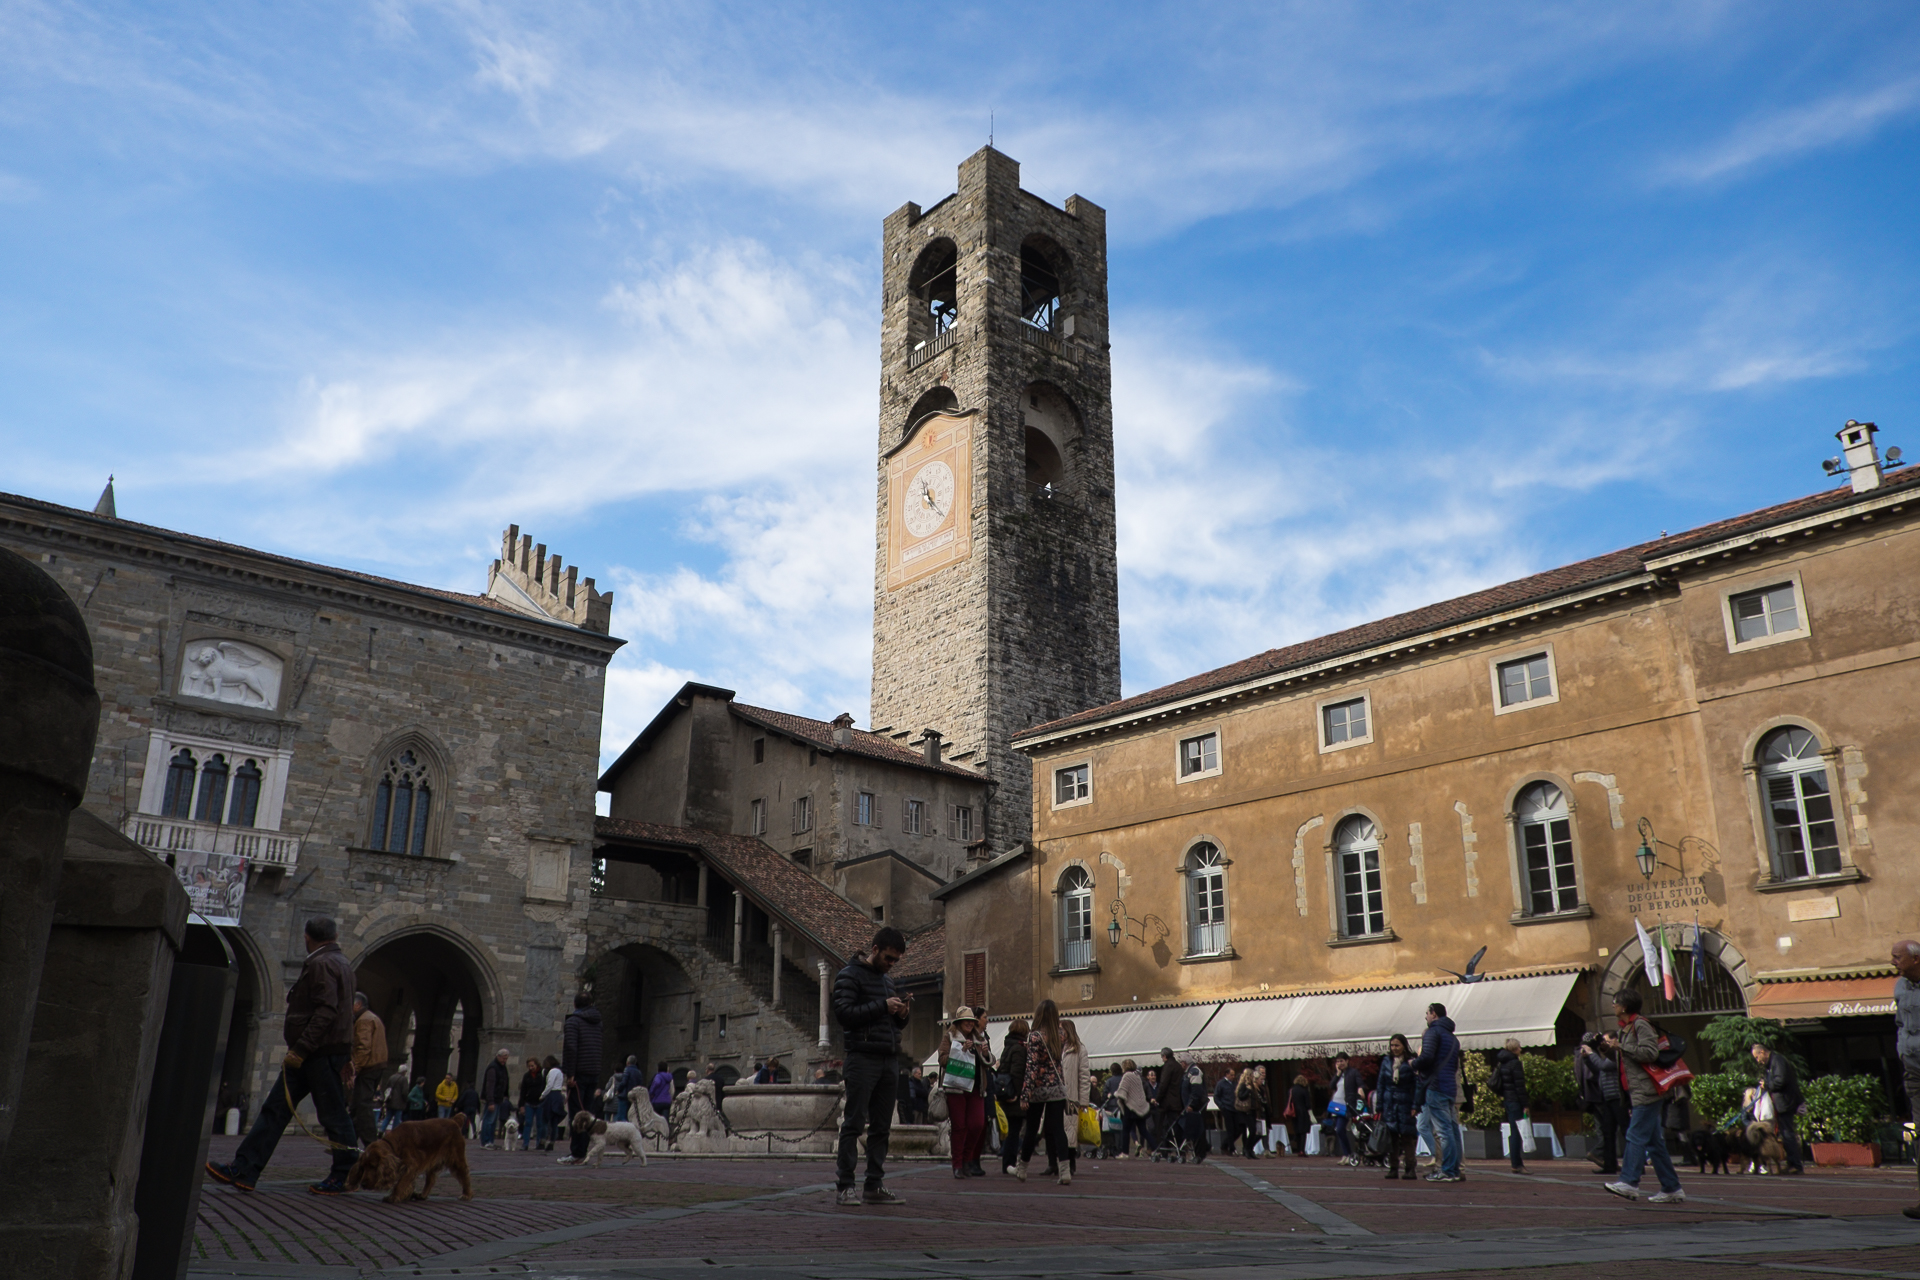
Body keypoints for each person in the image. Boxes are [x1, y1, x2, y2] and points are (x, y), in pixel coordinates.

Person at [206, 916, 360, 1196]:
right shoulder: (342, 963)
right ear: (335, 936)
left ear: (306, 937)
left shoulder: (321, 963)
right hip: (317, 1053)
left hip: (315, 1053)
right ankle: (245, 1168)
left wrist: (301, 1049)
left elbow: (327, 1011)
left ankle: (345, 1174)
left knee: (333, 1115)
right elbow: (343, 1014)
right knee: (276, 1109)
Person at [830, 925, 913, 1206]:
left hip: (889, 1059)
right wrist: (882, 1006)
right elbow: (843, 1014)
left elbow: (890, 1022)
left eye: (896, 960)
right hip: (862, 1058)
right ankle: (845, 1186)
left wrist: (902, 1014)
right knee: (853, 1123)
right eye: (888, 958)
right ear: (875, 949)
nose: (891, 964)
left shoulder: (888, 982)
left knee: (881, 1127)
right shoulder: (849, 975)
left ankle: (873, 1185)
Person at [1604, 987, 1685, 1204]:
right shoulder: (1626, 1028)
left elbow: (1650, 1053)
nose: (1613, 1005)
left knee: (1635, 1135)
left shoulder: (1640, 1024)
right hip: (1637, 1091)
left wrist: (1622, 1047)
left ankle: (1629, 1182)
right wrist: (1612, 1048)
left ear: (1624, 1006)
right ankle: (1671, 1187)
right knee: (1654, 1143)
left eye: (1615, 1002)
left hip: (1647, 1091)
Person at [1011, 1000, 1072, 1184]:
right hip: (1057, 1089)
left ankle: (1022, 1169)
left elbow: (1032, 1067)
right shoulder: (1061, 1035)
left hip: (1038, 1089)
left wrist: (1025, 1094)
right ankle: (1065, 1172)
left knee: (1031, 1129)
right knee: (1058, 1129)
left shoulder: (1035, 1036)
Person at [939, 1006, 994, 1179]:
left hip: (977, 1088)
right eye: (966, 1021)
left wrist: (986, 1054)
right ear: (959, 1023)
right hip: (956, 1088)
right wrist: (960, 1050)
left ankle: (967, 1159)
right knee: (959, 1127)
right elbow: (942, 1059)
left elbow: (989, 1062)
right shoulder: (950, 1036)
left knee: (977, 1124)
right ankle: (958, 1165)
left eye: (971, 1021)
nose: (969, 1024)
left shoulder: (979, 1038)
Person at [1414, 1001, 1463, 1183]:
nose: (1425, 1017)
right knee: (1453, 1130)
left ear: (1434, 1013)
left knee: (1444, 1131)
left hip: (1435, 1086)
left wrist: (1413, 1063)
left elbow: (1426, 1057)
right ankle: (1455, 1170)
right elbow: (1454, 1065)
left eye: (1427, 1013)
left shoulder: (1432, 1032)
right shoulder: (1453, 1038)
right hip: (1449, 1087)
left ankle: (1448, 1171)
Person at [1890, 938, 1920, 1220]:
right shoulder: (1900, 986)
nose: (1893, 962)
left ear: (1916, 959)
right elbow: (1900, 1022)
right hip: (1914, 1070)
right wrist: (1902, 1050)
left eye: (1897, 957)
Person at [1751, 1042, 1806, 1175]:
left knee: (1787, 1134)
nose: (1758, 1061)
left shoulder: (1778, 1061)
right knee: (1785, 1134)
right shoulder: (1773, 1063)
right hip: (1782, 1103)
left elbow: (1780, 1081)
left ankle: (1795, 1165)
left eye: (1757, 1057)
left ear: (1762, 1052)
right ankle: (1792, 1164)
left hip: (1786, 1103)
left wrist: (1767, 1084)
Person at [561, 994, 604, 1163]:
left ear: (575, 1004)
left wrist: (570, 1073)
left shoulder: (573, 1022)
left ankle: (577, 1153)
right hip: (594, 1071)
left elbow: (571, 1048)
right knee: (588, 1114)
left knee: (577, 1115)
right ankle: (584, 1150)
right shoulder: (598, 1022)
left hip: (579, 1073)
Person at [1577, 1032, 1626, 1175]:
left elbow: (1603, 1066)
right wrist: (1586, 1059)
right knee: (1607, 1132)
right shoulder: (1606, 1056)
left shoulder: (1617, 1055)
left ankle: (1637, 1165)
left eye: (1607, 1041)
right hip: (1607, 1098)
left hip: (1618, 1097)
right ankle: (1610, 1165)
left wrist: (1592, 1053)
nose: (1604, 1044)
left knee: (1626, 1131)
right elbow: (1598, 1070)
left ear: (1615, 1041)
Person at [1376, 1034, 1419, 1179]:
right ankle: (1393, 1167)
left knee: (1407, 1137)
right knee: (1391, 1137)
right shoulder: (1386, 1061)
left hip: (1405, 1102)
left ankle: (1410, 1168)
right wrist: (1379, 1105)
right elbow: (1381, 1083)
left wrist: (1415, 1105)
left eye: (1397, 1045)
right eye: (1392, 1045)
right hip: (1389, 1102)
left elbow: (1417, 1085)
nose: (1394, 1048)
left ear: (1404, 1046)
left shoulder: (1411, 1062)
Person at [348, 992, 387, 1146]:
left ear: (358, 1005)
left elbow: (363, 1047)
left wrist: (355, 1070)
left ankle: (372, 1145)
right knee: (357, 1107)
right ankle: (348, 1143)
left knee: (363, 1106)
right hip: (375, 1066)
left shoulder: (364, 1020)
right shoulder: (371, 1017)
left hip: (368, 1067)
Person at [1493, 1038, 1531, 1173]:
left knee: (1514, 1131)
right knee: (1517, 1132)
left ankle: (1516, 1163)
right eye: (1519, 1047)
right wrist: (1525, 1104)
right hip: (1515, 1101)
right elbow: (1520, 1086)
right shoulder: (1515, 1063)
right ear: (1514, 1049)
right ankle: (1517, 1164)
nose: (1521, 1049)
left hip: (1508, 1100)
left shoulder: (1502, 1063)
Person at [998, 1018, 1030, 1173]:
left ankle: (1007, 1162)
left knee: (1011, 1130)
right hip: (1014, 1096)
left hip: (1006, 1092)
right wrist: (1018, 1094)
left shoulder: (1008, 1046)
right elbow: (1017, 1073)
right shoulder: (1019, 1048)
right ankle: (1009, 1163)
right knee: (1014, 1131)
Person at [1060, 1020, 1091, 1169]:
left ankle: (1070, 1162)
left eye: (1061, 1030)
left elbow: (1084, 1077)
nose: (1059, 1033)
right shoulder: (1054, 1048)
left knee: (1070, 1131)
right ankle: (1054, 1164)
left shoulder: (1079, 1049)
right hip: (1055, 1096)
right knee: (1056, 1131)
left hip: (1071, 1098)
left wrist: (1083, 1101)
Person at [1328, 1053, 1365, 1165]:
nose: (1340, 1063)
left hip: (1347, 1106)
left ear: (1347, 1061)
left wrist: (1360, 1089)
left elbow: (1360, 1083)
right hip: (1336, 1106)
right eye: (1337, 1061)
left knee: (1342, 1129)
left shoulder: (1353, 1072)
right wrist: (1337, 1074)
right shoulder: (1338, 1075)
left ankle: (1350, 1154)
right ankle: (1346, 1155)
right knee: (1339, 1131)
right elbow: (1331, 1086)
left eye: (1341, 1061)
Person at [477, 1049, 512, 1147]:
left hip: (498, 1098)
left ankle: (491, 1141)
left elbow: (505, 1082)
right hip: (493, 1099)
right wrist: (491, 1101)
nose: (504, 1061)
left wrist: (505, 1095)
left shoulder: (502, 1067)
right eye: (503, 1058)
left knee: (493, 1122)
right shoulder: (493, 1068)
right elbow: (490, 1086)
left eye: (506, 1059)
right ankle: (486, 1141)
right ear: (498, 1056)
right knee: (489, 1121)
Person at [1115, 1058, 1150, 1157]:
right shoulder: (1137, 1076)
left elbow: (1122, 1091)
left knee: (1126, 1130)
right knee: (1143, 1130)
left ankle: (1125, 1152)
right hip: (1139, 1107)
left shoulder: (1127, 1076)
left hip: (1129, 1108)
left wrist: (1115, 1094)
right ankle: (1156, 1148)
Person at [1152, 1047, 1184, 1156]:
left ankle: (1163, 1149)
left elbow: (1163, 1084)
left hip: (1167, 1102)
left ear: (1165, 1056)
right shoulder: (1178, 1066)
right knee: (1176, 1126)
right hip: (1177, 1101)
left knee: (1161, 1126)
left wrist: (1157, 1099)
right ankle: (1179, 1149)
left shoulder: (1168, 1066)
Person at [539, 1054, 566, 1152]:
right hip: (558, 1095)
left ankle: (543, 1141)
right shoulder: (560, 1071)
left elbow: (550, 1085)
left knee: (545, 1120)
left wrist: (542, 1095)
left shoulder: (553, 1071)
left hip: (552, 1095)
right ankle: (551, 1142)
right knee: (554, 1122)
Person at [517, 1057, 544, 1149]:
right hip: (529, 1102)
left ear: (536, 1065)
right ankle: (525, 1144)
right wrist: (521, 1105)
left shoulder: (542, 1074)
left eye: (532, 1066)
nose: (531, 1068)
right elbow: (523, 1091)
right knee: (528, 1123)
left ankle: (539, 1143)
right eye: (529, 1066)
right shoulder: (526, 1076)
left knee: (539, 1124)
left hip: (540, 1102)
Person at [1285, 1072, 1313, 1157]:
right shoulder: (1304, 1091)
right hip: (1303, 1112)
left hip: (1294, 1113)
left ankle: (1297, 1148)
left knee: (1297, 1131)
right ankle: (1302, 1150)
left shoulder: (1291, 1090)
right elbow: (1307, 1104)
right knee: (1303, 1132)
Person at [382, 1067, 409, 1134]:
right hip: (399, 1103)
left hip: (390, 1101)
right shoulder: (404, 1079)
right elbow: (404, 1092)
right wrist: (406, 1100)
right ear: (404, 1071)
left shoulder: (391, 1077)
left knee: (387, 1117)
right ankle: (394, 1133)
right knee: (397, 1119)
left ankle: (381, 1130)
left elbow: (387, 1088)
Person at [618, 1055, 644, 1123]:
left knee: (621, 1116)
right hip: (633, 1097)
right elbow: (640, 1084)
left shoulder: (627, 1070)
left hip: (624, 1095)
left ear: (627, 1062)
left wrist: (618, 1090)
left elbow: (624, 1082)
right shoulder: (639, 1072)